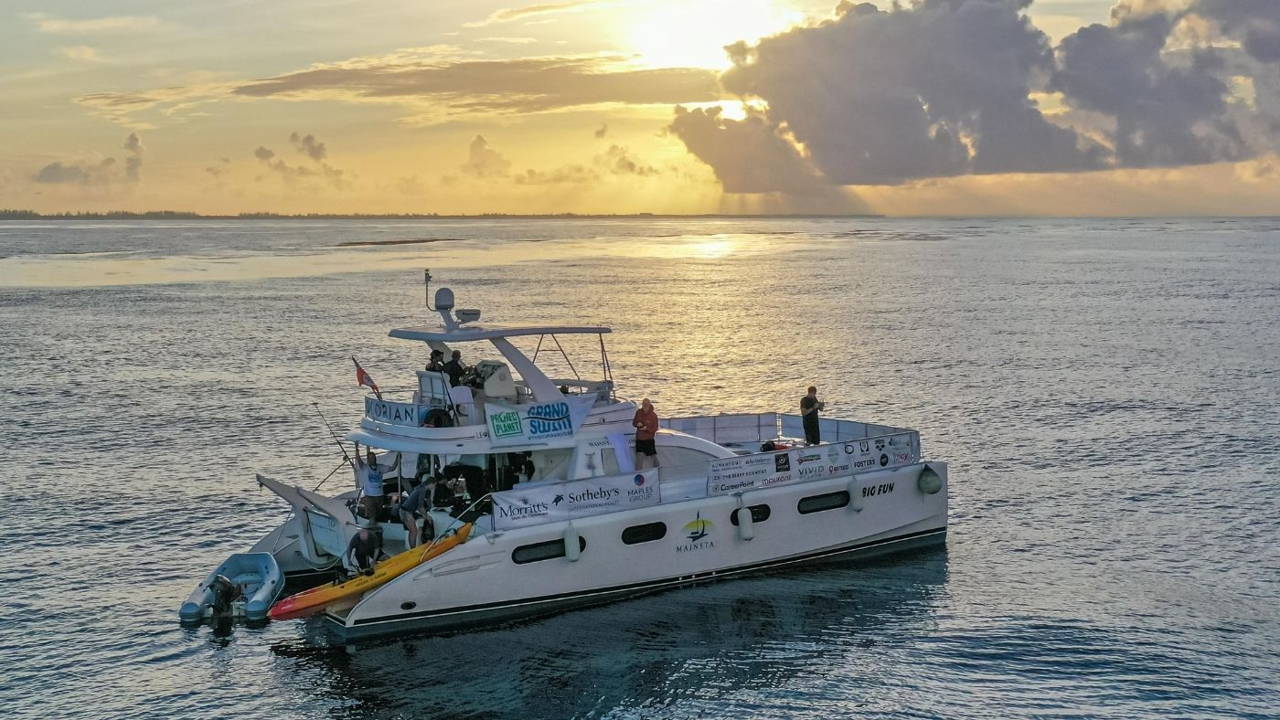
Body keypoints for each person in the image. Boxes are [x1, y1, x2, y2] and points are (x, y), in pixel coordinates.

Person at [397, 477, 431, 548]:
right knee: (413, 531)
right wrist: (426, 516)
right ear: (431, 484)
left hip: (404, 511)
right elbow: (420, 506)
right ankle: (413, 549)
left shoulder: (419, 487)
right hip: (406, 512)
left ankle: (412, 548)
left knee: (412, 531)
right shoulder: (422, 490)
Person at [354, 447, 386, 521]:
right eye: (371, 458)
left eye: (374, 457)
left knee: (378, 514)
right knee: (372, 515)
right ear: (368, 460)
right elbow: (359, 461)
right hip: (369, 495)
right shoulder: (365, 467)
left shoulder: (380, 467)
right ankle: (371, 525)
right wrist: (357, 449)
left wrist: (397, 459)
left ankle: (375, 524)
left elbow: (393, 468)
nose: (373, 459)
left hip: (379, 495)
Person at [632, 398, 659, 469]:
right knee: (639, 457)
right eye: (643, 404)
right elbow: (634, 423)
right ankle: (638, 473)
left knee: (653, 456)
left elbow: (655, 428)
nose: (645, 406)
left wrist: (647, 429)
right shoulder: (638, 412)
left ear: (649, 405)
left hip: (649, 439)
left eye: (646, 404)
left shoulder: (653, 415)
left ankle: (658, 470)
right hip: (639, 439)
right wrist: (637, 424)